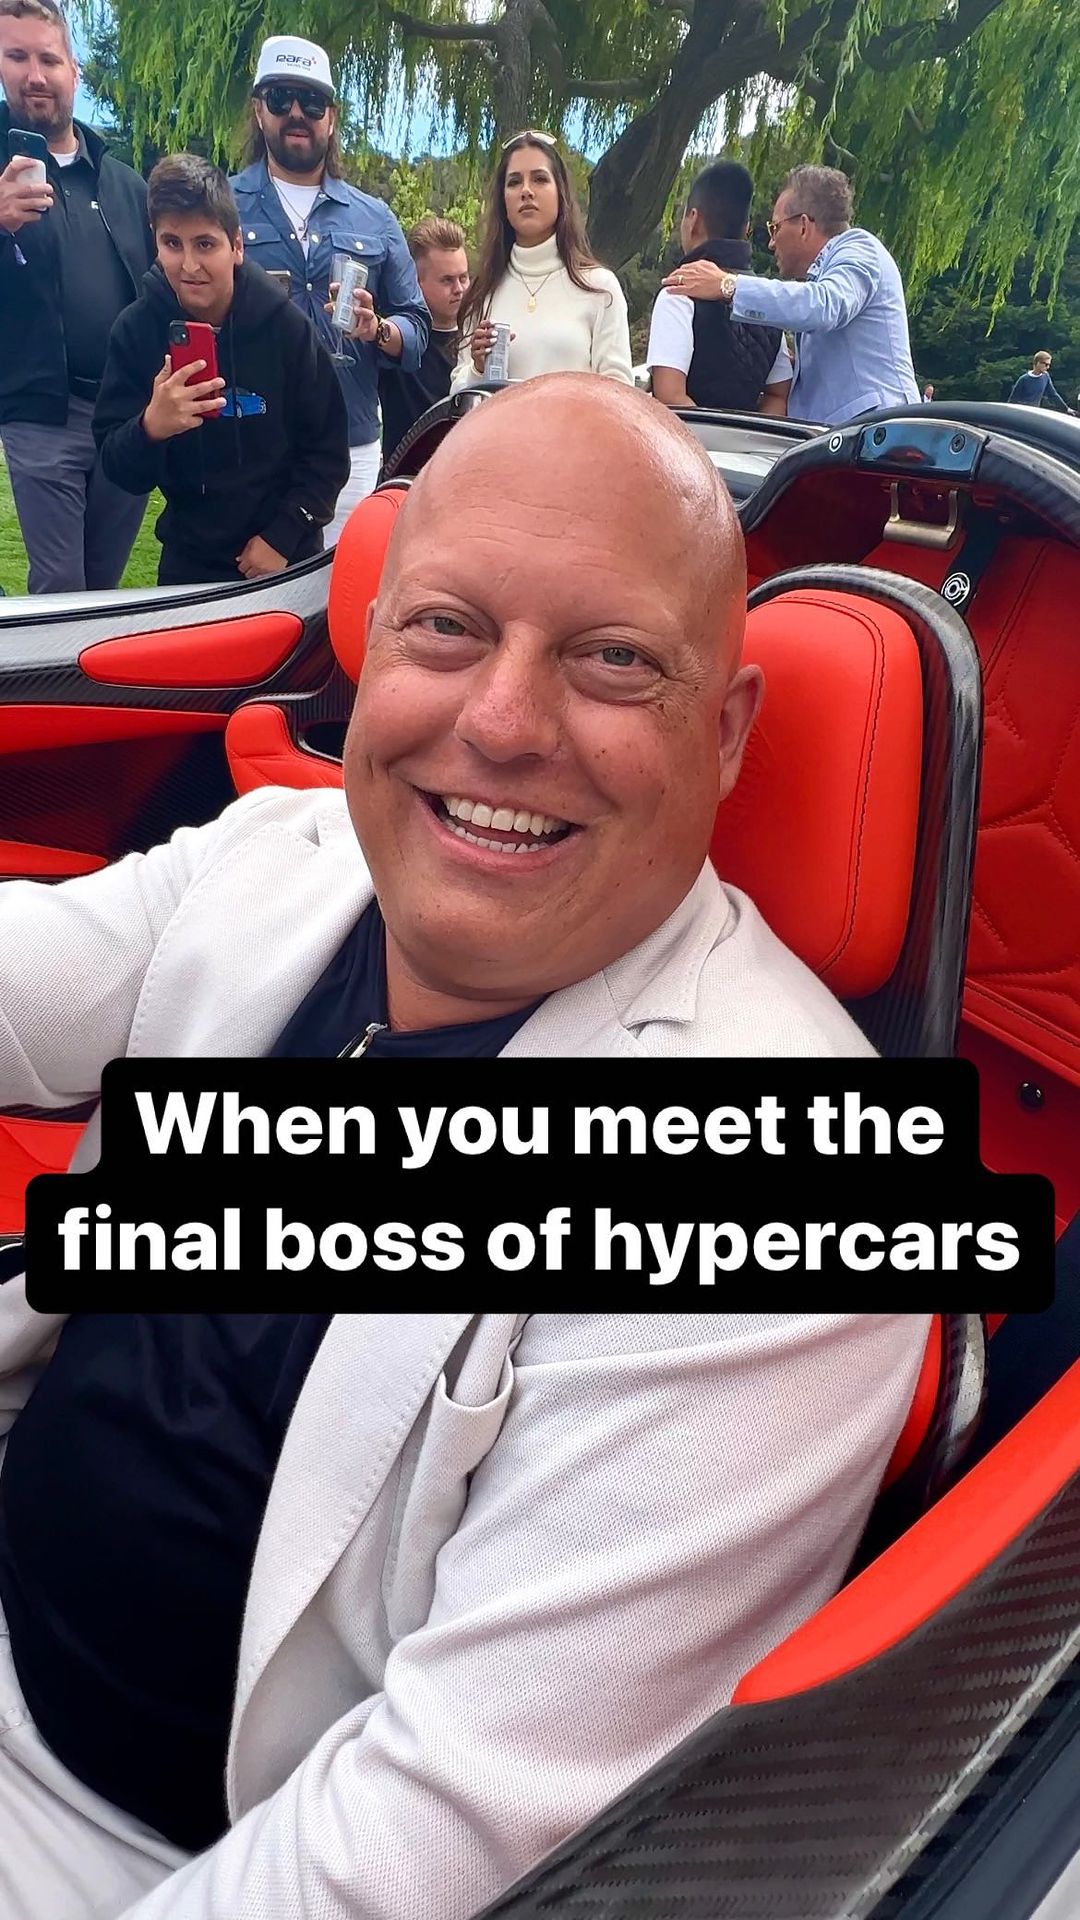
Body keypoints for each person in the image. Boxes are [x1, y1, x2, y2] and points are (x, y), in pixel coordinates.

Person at [0, 375, 928, 1920]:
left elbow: (418, 1847)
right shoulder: (283, 859)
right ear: (372, 653)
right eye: (446, 629)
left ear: (726, 733)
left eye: (613, 659)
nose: (500, 724)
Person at [92, 154, 349, 587]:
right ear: (155, 241)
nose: (189, 265)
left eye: (205, 244)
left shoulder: (286, 328)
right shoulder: (135, 331)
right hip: (188, 563)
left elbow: (328, 452)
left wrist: (283, 536)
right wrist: (150, 428)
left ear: (237, 246)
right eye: (172, 243)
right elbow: (119, 470)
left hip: (285, 559)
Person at [230, 35, 430, 542]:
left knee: (342, 585)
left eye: (312, 102)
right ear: (258, 110)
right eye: (281, 98)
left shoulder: (375, 217)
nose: (297, 113)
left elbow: (418, 329)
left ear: (332, 118)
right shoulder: (222, 207)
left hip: (350, 450)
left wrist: (378, 328)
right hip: (249, 445)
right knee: (253, 586)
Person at [0, 0, 153, 594]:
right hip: (41, 413)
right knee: (62, 589)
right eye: (17, 57)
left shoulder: (123, 183)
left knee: (104, 587)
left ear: (74, 70)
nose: (34, 75)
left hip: (124, 415)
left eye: (48, 59)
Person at [663, 165, 920, 426]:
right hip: (854, 435)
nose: (770, 243)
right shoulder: (822, 278)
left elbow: (823, 306)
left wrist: (728, 285)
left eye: (775, 228)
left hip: (879, 434)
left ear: (804, 226)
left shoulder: (860, 249)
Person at [451, 131, 632, 389]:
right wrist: (477, 370)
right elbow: (458, 396)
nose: (526, 191)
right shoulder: (482, 293)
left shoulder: (601, 288)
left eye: (539, 179)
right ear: (503, 200)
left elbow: (620, 393)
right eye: (514, 182)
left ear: (561, 193)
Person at [646, 161, 792, 415]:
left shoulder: (677, 292)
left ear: (693, 220)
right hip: (753, 441)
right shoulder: (765, 301)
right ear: (746, 229)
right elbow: (779, 394)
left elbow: (669, 397)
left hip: (687, 439)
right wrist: (747, 433)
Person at [378, 214, 469, 467]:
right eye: (447, 280)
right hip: (404, 477)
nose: (459, 289)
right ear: (415, 283)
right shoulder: (395, 341)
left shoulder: (478, 339)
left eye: (463, 277)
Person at [1007, 351, 1075, 412]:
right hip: (1022, 412)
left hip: (1035, 412)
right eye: (1046, 364)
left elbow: (1053, 394)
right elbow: (1012, 400)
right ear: (1037, 363)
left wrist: (1066, 409)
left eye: (1049, 365)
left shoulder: (1045, 376)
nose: (1047, 367)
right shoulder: (1024, 379)